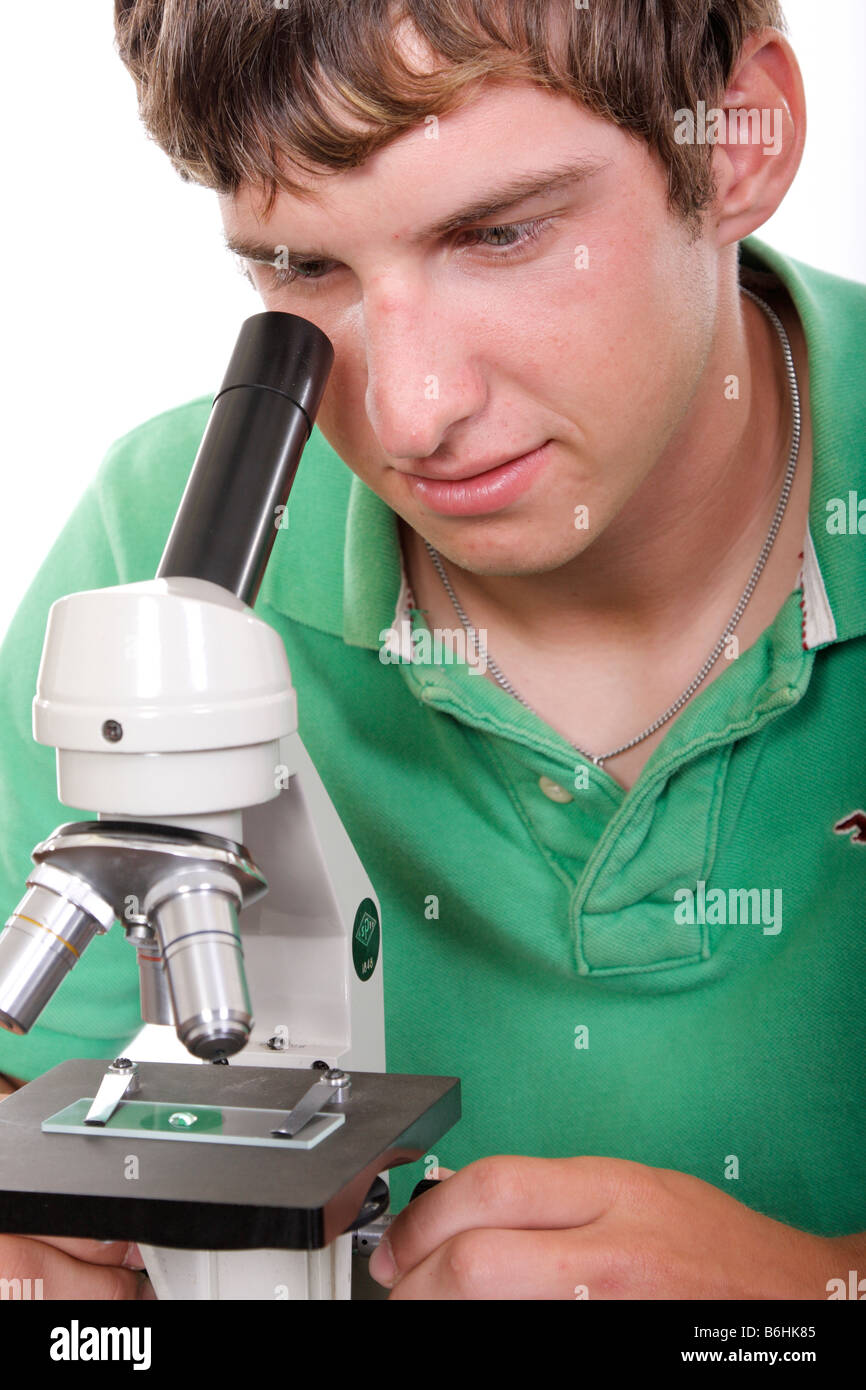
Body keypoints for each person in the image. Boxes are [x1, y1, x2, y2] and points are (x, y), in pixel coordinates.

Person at [0, 0, 864, 1300]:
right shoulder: (164, 541)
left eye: (498, 233)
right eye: (300, 268)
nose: (411, 413)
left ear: (737, 141)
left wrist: (814, 1300)